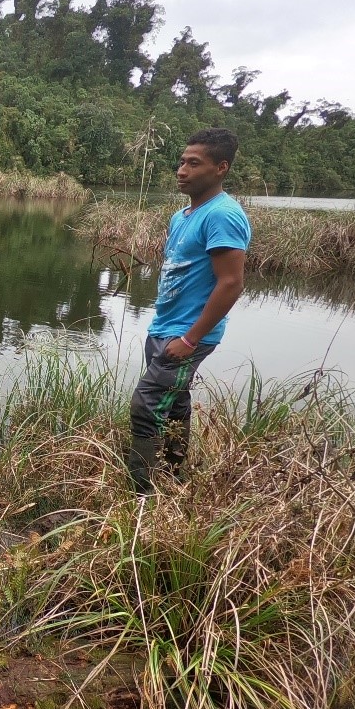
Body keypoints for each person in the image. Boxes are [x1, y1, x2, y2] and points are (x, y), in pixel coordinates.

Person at [127, 127, 251, 493]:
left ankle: (141, 494)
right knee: (175, 401)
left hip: (188, 334)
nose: (182, 170)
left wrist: (190, 338)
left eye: (193, 163)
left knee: (145, 406)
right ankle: (174, 473)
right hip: (165, 328)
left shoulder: (223, 215)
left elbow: (231, 282)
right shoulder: (182, 216)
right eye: (181, 161)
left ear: (221, 168)